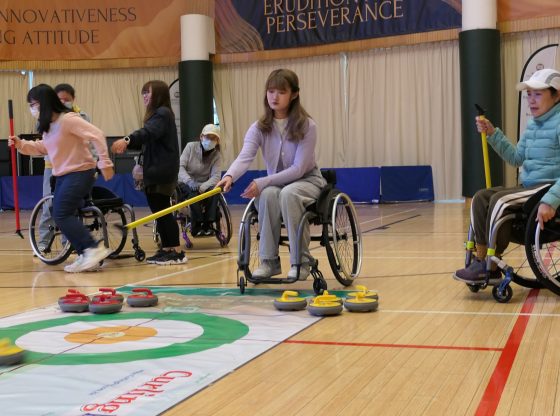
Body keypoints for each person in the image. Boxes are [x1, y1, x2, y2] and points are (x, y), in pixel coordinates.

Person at [216, 68, 326, 280]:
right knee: (267, 194)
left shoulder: (307, 126)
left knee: (288, 194)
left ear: (294, 94)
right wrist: (229, 176)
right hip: (277, 184)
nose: (274, 97)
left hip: (307, 180)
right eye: (271, 91)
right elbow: (244, 157)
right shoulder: (258, 127)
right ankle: (269, 262)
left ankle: (301, 262)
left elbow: (298, 169)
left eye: (281, 92)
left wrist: (263, 181)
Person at [454, 68, 560, 283]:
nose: (531, 100)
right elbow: (516, 158)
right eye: (529, 94)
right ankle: (483, 259)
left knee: (499, 200)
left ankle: (491, 265)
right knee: (481, 197)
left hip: (549, 187)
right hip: (529, 187)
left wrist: (551, 200)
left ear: (556, 94)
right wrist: (493, 134)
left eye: (538, 94)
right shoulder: (533, 125)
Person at [9, 84, 114, 273]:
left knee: (61, 212)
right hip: (63, 175)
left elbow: (97, 135)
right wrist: (21, 144)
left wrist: (105, 163)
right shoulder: (50, 126)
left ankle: (92, 248)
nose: (32, 109)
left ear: (46, 103)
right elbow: (44, 147)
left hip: (80, 172)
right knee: (62, 213)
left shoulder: (69, 120)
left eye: (34, 104)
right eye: (31, 105)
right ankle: (85, 254)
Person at [111, 80, 185, 265]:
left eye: (148, 93)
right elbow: (147, 139)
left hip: (162, 171)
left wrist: (127, 139)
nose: (144, 96)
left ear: (158, 95)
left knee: (163, 210)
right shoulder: (158, 115)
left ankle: (175, 250)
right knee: (159, 211)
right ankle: (167, 248)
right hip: (156, 170)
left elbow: (148, 133)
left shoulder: (162, 114)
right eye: (143, 93)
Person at [37, 83, 92, 253]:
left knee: (69, 206)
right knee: (49, 205)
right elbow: (44, 143)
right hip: (52, 166)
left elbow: (91, 140)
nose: (63, 102)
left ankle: (68, 243)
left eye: (67, 100)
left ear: (73, 99)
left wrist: (99, 162)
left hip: (74, 167)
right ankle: (44, 242)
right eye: (60, 99)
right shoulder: (48, 117)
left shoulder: (80, 116)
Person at [178, 123, 222, 237]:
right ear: (201, 137)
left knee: (215, 190)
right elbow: (180, 167)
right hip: (187, 181)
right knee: (192, 194)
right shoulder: (190, 147)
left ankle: (208, 224)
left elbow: (216, 176)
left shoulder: (216, 155)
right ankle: (196, 225)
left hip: (204, 184)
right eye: (208, 137)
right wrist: (189, 181)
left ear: (217, 141)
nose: (210, 140)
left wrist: (204, 186)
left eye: (213, 138)